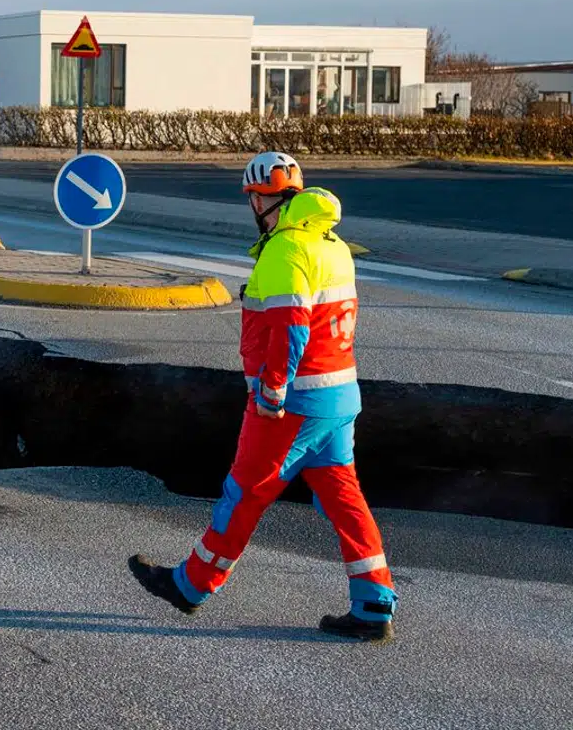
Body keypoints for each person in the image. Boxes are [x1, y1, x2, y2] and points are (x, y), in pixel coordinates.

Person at [129, 151, 398, 642]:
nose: (251, 206)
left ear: (264, 199)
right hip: (339, 398)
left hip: (293, 402)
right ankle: (374, 600)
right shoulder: (332, 243)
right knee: (344, 498)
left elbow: (291, 327)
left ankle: (191, 584)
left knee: (244, 492)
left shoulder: (285, 249)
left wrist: (272, 391)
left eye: (252, 197)